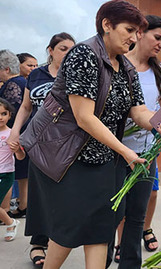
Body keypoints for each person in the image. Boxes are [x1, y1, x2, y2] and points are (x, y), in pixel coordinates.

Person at [21, 1, 161, 268]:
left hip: (101, 157)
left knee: (101, 227)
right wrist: (125, 151)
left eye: (138, 32)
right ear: (107, 25)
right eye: (129, 29)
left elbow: (139, 111)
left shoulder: (126, 67)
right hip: (67, 155)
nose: (134, 37)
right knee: (71, 228)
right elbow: (84, 117)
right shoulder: (83, 55)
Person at [110, 14, 161, 267]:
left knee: (137, 214)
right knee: (112, 211)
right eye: (157, 37)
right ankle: (104, 255)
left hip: (146, 151)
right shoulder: (116, 64)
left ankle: (130, 263)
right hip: (115, 151)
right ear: (140, 33)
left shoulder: (160, 71)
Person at [7, 32, 75, 268]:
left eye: (71, 49)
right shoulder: (36, 75)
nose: (67, 53)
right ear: (51, 50)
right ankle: (38, 243)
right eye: (63, 48)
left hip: (66, 144)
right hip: (37, 142)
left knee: (63, 194)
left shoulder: (76, 75)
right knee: (38, 194)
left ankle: (58, 240)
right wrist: (15, 132)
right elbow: (25, 107)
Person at [0, 49, 26, 221]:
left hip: (12, 136)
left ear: (6, 69)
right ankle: (23, 206)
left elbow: (12, 112)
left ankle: (6, 211)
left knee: (11, 173)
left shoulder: (12, 85)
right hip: (25, 134)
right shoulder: (25, 82)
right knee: (23, 175)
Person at [0, 98, 25, 242]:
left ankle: (11, 223)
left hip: (6, 173)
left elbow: (21, 157)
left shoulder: (12, 134)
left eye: (4, 113)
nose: (0, 117)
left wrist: (17, 150)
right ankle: (10, 222)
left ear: (10, 115)